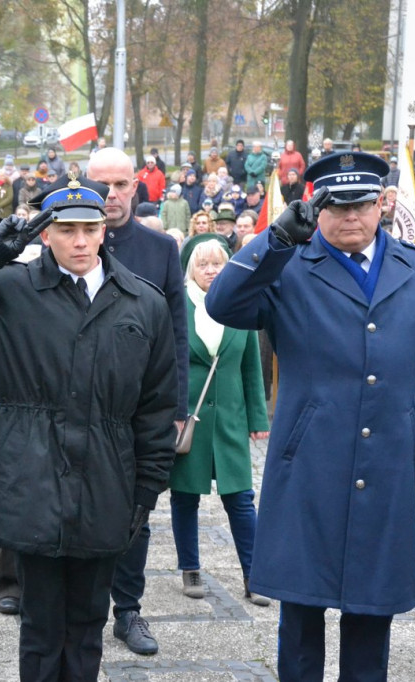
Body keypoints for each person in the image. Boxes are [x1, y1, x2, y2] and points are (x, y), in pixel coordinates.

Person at [0, 176, 178, 682]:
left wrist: (147, 487)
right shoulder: (8, 291)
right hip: (32, 481)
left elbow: (157, 406)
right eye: (67, 229)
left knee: (87, 625)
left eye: (89, 229)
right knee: (40, 627)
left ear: (105, 231)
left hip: (106, 482)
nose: (79, 241)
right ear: (46, 233)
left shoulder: (144, 302)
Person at [204, 151, 415, 681]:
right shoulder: (288, 266)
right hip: (309, 466)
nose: (351, 217)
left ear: (382, 204)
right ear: (316, 209)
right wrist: (274, 239)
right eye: (337, 206)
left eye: (362, 204)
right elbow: (222, 305)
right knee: (300, 617)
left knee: (372, 615)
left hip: (387, 464)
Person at [86, 146, 188, 656]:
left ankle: (128, 610)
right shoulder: (64, 241)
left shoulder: (160, 249)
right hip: (80, 404)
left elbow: (177, 335)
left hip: (140, 407)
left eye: (121, 184)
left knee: (137, 513)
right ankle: (79, 607)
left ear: (136, 188)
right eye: (101, 184)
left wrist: (177, 407)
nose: (111, 194)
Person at [170, 233, 270, 606]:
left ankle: (255, 574)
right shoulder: (176, 306)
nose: (211, 271)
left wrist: (258, 416)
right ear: (189, 269)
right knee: (185, 498)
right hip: (189, 417)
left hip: (230, 417)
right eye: (203, 264)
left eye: (218, 264)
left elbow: (251, 368)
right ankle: (190, 568)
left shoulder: (240, 305)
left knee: (241, 499)